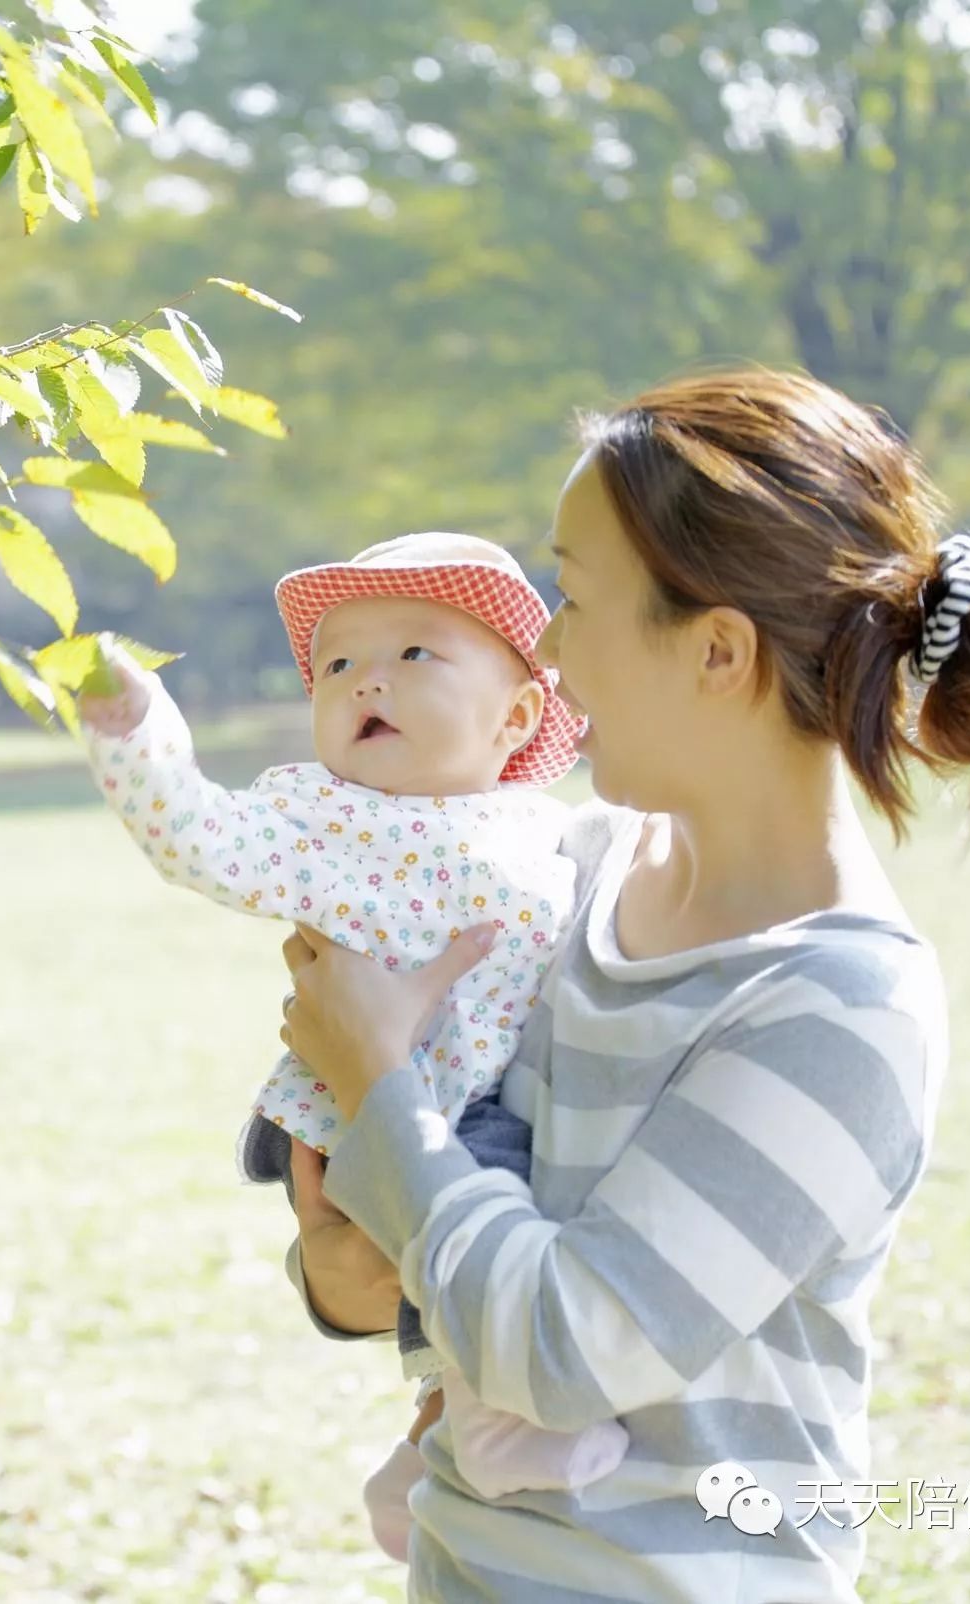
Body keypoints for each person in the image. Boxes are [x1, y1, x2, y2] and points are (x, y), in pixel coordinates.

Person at [266, 366, 970, 1601]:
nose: (541, 645)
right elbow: (406, 1248)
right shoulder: (565, 874)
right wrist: (342, 1264)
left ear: (717, 651)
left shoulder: (839, 1008)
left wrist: (375, 1086)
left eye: (572, 598)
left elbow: (562, 1347)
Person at [74, 533, 630, 1559]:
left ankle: (433, 1439)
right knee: (483, 1221)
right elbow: (196, 835)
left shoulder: (556, 828)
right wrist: (133, 728)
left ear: (515, 716)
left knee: (509, 1216)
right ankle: (491, 1423)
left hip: (489, 1099)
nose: (367, 677)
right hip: (370, 1110)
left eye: (417, 654)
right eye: (338, 665)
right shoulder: (324, 819)